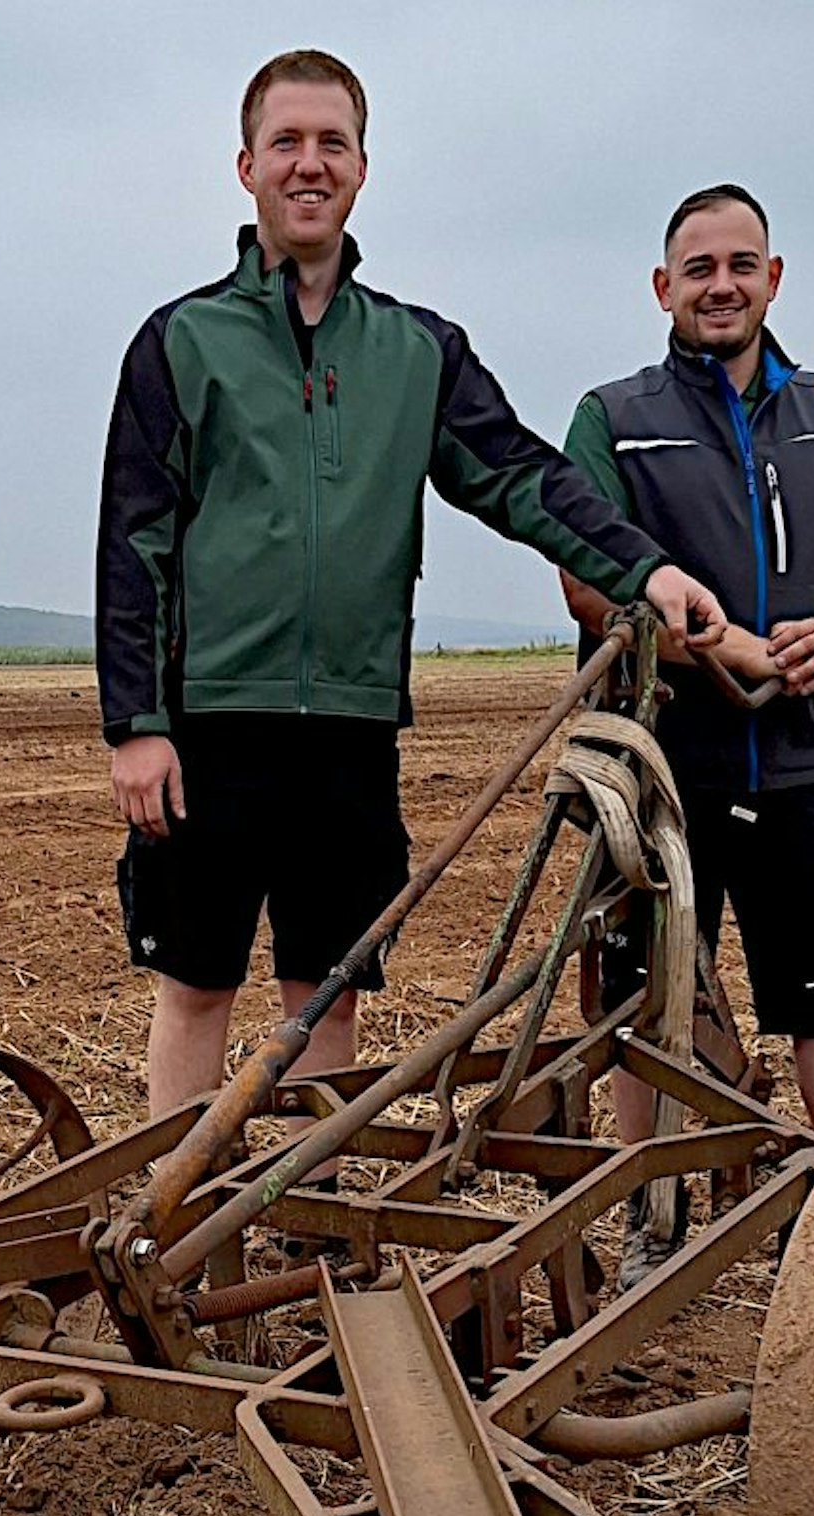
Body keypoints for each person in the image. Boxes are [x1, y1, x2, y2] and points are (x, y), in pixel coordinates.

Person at [96, 49, 727, 1124]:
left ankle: (314, 1229)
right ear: (245, 167)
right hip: (209, 726)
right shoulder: (179, 342)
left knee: (326, 990)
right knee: (197, 982)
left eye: (330, 144)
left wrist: (646, 568)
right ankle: (172, 1224)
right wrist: (135, 726)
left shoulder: (415, 351)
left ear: (360, 166)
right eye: (286, 143)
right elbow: (133, 545)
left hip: (348, 727)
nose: (308, 164)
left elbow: (524, 476)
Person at [556, 183, 814, 1304]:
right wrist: (709, 642)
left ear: (773, 278)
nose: (719, 284)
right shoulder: (613, 414)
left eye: (740, 264)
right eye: (697, 268)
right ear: (661, 288)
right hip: (659, 774)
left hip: (805, 764)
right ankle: (650, 1230)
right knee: (642, 1004)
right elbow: (583, 580)